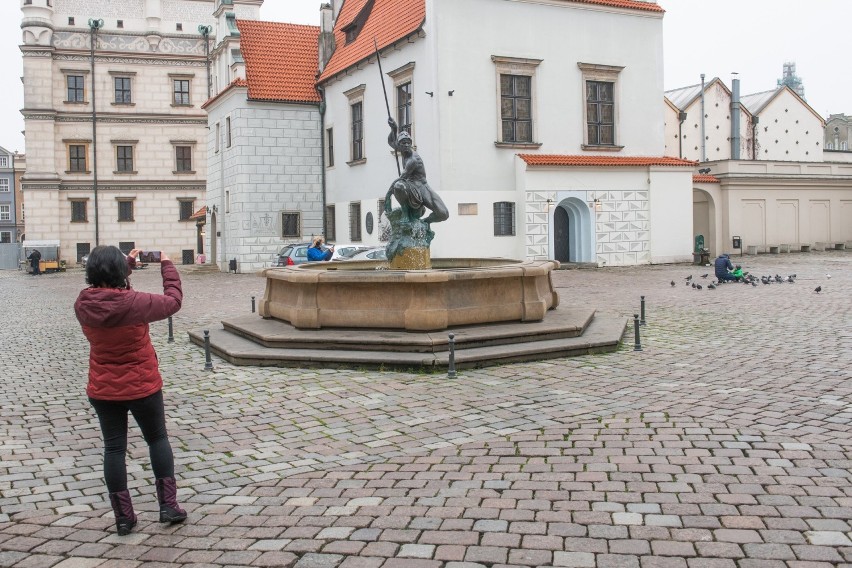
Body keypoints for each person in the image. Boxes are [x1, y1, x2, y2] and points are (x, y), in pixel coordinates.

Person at [74, 245, 186, 536]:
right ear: (121, 273)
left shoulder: (83, 303)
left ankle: (124, 517)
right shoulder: (135, 303)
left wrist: (127, 267)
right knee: (157, 439)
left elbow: (110, 300)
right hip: (142, 385)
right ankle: (168, 506)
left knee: (113, 449)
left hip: (103, 388)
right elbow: (172, 301)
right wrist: (167, 265)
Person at [384, 118, 449, 225]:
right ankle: (405, 213)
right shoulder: (402, 149)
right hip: (410, 184)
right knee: (399, 186)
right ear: (400, 144)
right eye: (403, 143)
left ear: (410, 143)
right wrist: (393, 129)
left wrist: (388, 195)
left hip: (422, 187)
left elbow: (401, 177)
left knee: (443, 213)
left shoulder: (413, 160)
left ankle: (425, 222)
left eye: (407, 143)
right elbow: (391, 142)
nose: (405, 145)